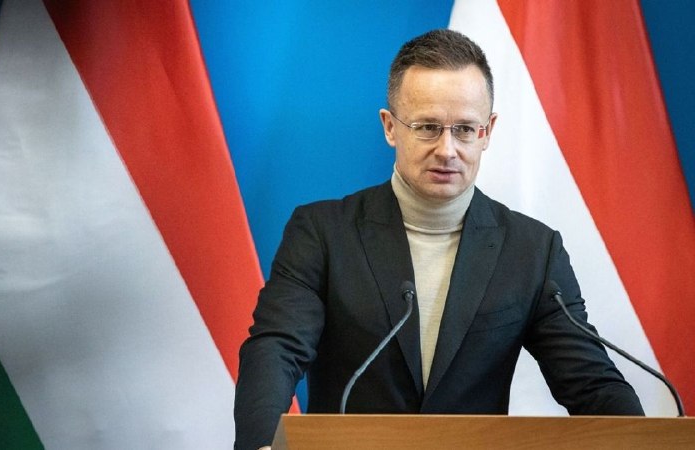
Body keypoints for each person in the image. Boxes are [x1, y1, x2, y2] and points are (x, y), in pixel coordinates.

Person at [233, 29, 644, 450]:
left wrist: (643, 441)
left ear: (487, 131)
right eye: (428, 127)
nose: (447, 150)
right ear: (390, 127)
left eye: (464, 129)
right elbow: (277, 349)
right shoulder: (322, 232)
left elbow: (590, 382)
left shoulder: (532, 251)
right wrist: (261, 444)